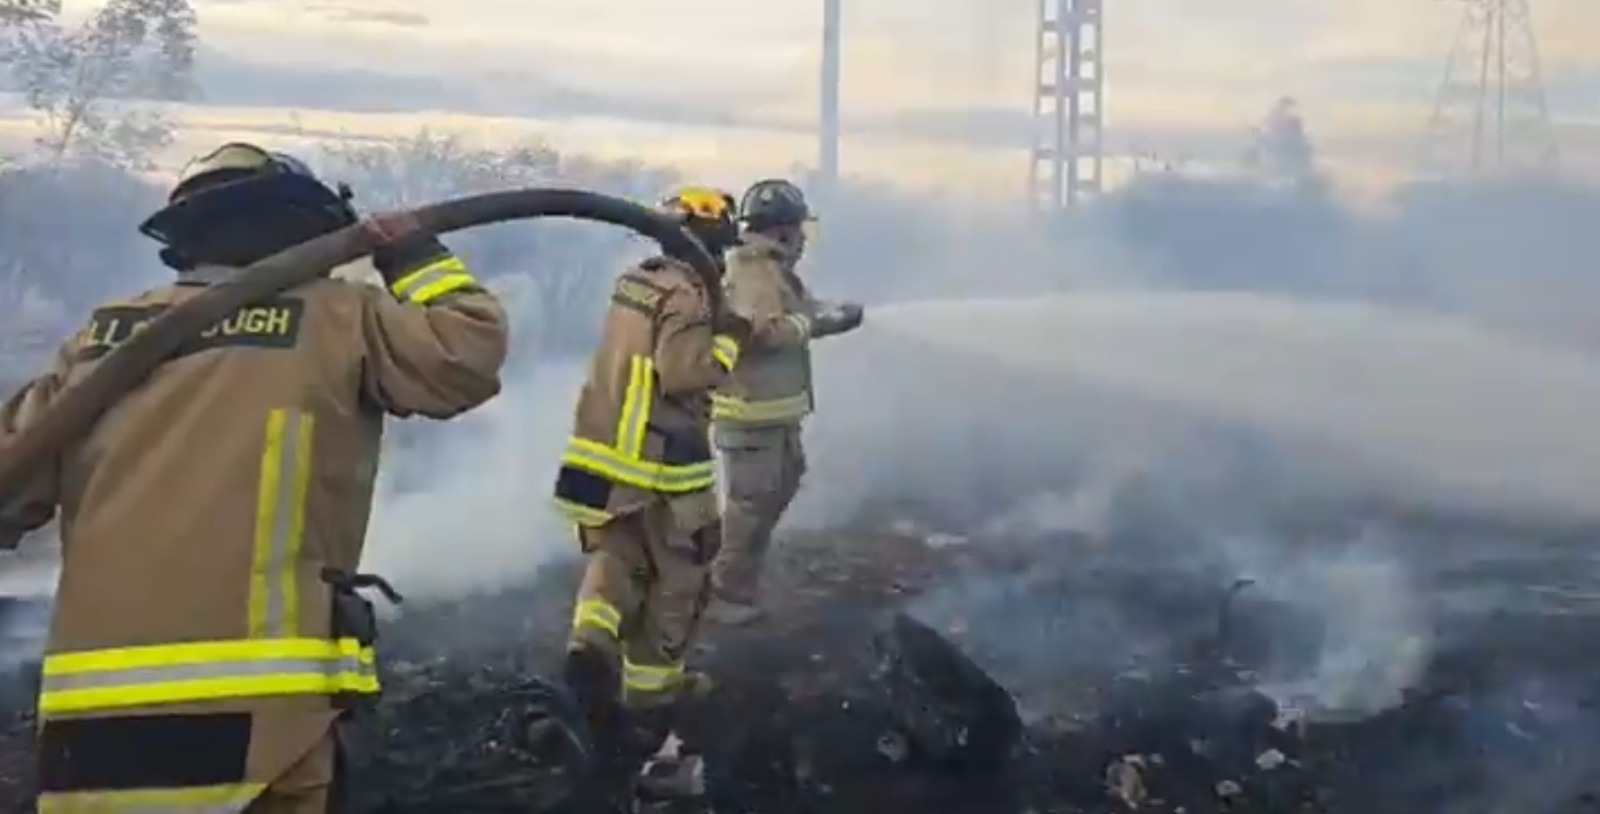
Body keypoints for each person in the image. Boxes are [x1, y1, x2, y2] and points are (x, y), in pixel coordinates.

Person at [0, 142, 509, 812]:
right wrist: (414, 255)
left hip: (89, 725)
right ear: (308, 227)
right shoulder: (337, 313)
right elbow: (464, 355)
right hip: (259, 719)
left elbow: (13, 487)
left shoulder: (104, 335)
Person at [552, 185, 747, 807]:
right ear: (709, 239)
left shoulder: (636, 281)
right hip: (664, 467)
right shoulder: (691, 292)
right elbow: (685, 370)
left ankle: (589, 644)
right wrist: (731, 341)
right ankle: (648, 710)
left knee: (614, 561)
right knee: (677, 583)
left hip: (601, 457)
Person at [706, 178, 863, 626]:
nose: (802, 241)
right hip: (751, 414)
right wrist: (818, 325)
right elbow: (762, 333)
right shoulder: (754, 271)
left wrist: (836, 315)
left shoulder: (772, 270)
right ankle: (723, 593)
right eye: (798, 230)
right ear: (779, 231)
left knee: (781, 486)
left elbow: (804, 312)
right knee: (749, 506)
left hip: (774, 414)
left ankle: (741, 582)